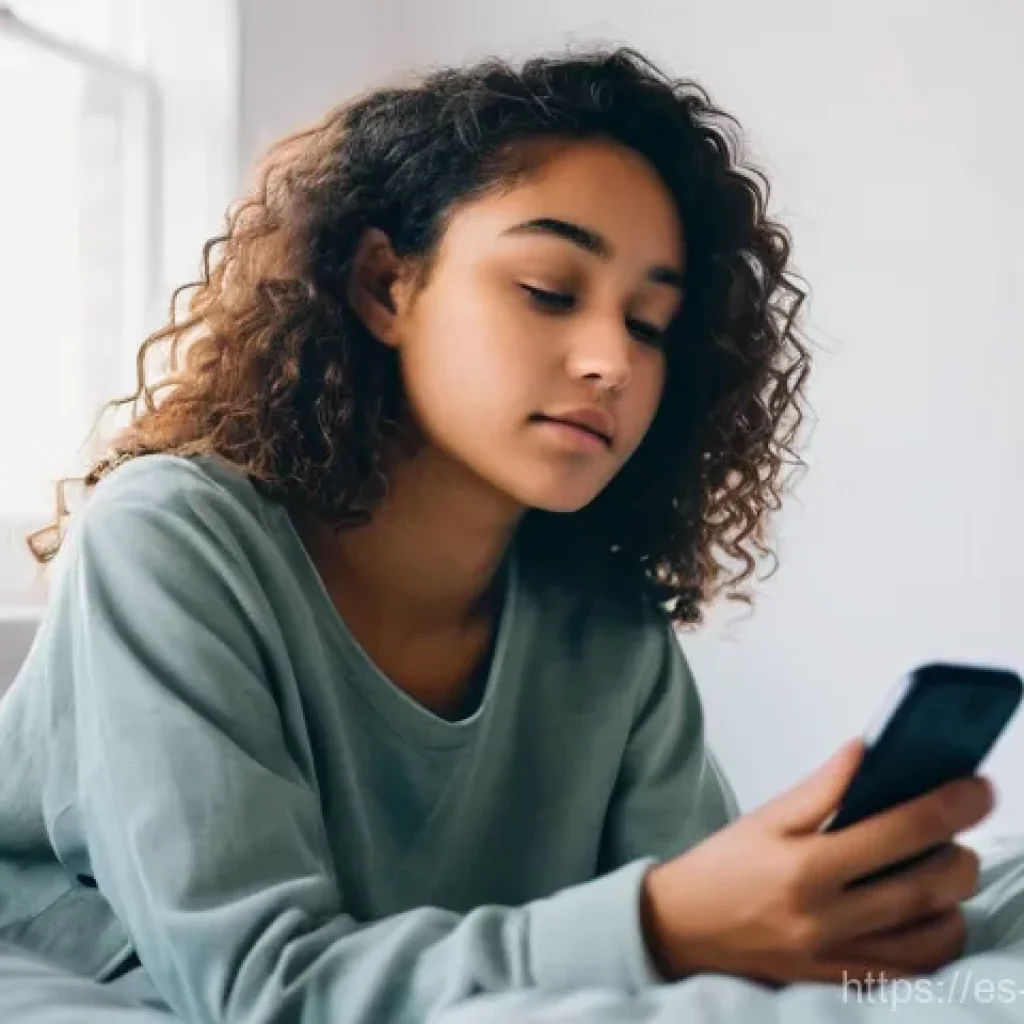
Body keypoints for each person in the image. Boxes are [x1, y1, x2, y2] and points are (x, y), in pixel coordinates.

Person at [0, 47, 1020, 1024]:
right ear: (384, 286)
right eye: (548, 291)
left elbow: (715, 929)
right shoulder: (171, 542)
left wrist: (820, 910)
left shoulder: (606, 624)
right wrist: (662, 922)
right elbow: (262, 983)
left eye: (650, 325)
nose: (610, 361)